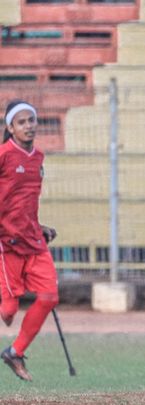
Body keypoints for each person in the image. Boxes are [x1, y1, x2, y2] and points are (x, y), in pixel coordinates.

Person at [0, 100, 60, 382]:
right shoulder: (3, 155)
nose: (29, 126)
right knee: (8, 312)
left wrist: (39, 226)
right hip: (7, 242)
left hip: (33, 240)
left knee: (49, 297)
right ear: (10, 128)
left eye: (32, 120)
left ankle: (15, 351)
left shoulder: (38, 158)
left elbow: (25, 202)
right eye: (22, 122)